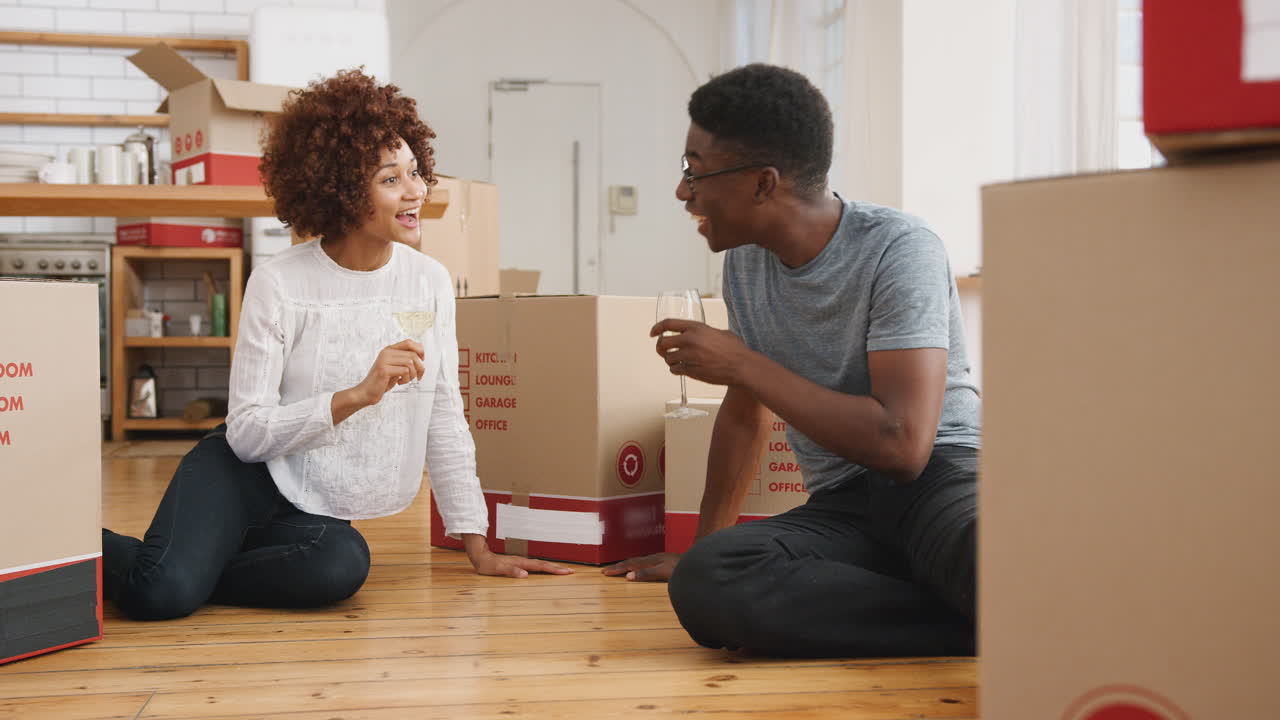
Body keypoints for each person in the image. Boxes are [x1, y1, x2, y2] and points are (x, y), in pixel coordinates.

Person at [102, 70, 571, 621]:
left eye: (415, 171)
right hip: (242, 473)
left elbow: (443, 410)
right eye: (391, 179)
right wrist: (357, 394)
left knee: (340, 565)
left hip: (312, 500)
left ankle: (194, 566)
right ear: (343, 190)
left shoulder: (428, 281)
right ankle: (81, 551)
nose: (417, 190)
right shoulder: (279, 282)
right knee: (159, 595)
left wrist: (478, 545)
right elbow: (248, 433)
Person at [603, 64, 981, 657]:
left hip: (942, 481)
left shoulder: (900, 248)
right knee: (711, 581)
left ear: (763, 183)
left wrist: (744, 364)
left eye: (694, 173)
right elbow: (743, 416)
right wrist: (700, 549)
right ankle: (973, 618)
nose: (683, 193)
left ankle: (983, 597)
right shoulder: (746, 264)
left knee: (990, 554)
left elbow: (903, 447)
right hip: (845, 507)